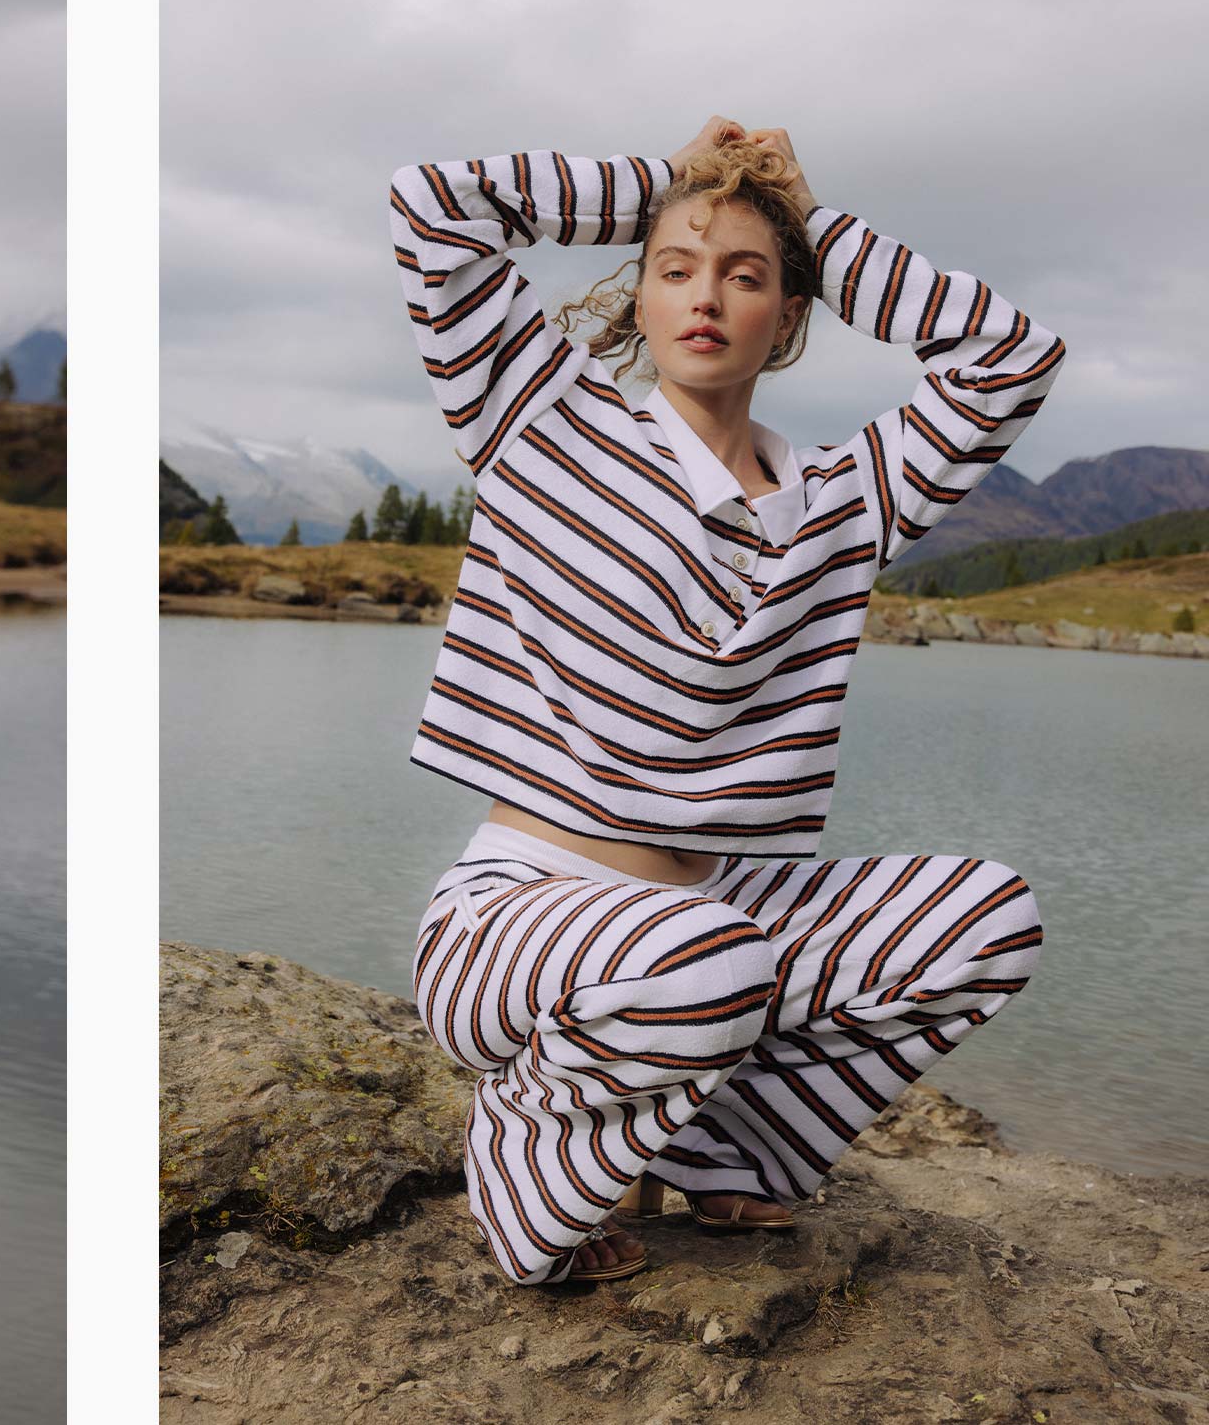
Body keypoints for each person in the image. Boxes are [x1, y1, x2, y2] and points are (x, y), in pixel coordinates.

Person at [387, 118, 1061, 1287]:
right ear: (640, 296)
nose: (703, 296)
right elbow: (432, 204)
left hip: (713, 921)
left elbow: (1008, 355)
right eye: (674, 268)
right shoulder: (543, 423)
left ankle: (712, 1149)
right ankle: (522, 1145)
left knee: (984, 918)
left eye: (743, 277)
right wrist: (677, 183)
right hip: (512, 926)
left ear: (787, 315)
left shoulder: (843, 499)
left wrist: (801, 223)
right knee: (705, 961)